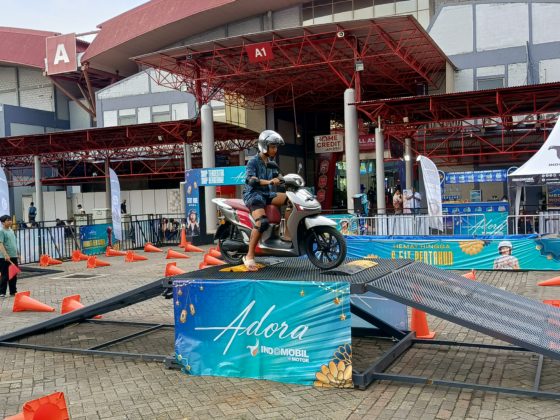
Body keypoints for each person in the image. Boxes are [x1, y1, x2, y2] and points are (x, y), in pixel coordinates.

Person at [242, 130, 289, 271]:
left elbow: (280, 177)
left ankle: (287, 236)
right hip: (254, 195)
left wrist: (284, 180)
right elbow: (251, 180)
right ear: (264, 146)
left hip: (267, 194)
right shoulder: (253, 162)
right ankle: (249, 256)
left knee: (292, 200)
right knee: (262, 222)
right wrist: (270, 182)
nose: (275, 150)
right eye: (273, 147)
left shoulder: (271, 163)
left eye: (276, 147)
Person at [0, 215, 19, 297]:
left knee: (13, 274)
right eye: (8, 220)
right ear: (3, 222)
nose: (10, 221)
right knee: (5, 275)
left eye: (10, 220)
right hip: (4, 257)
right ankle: (2, 292)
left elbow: (13, 243)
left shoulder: (11, 230)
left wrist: (17, 253)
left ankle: (13, 291)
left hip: (13, 256)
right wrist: (5, 255)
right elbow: (0, 244)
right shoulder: (1, 231)